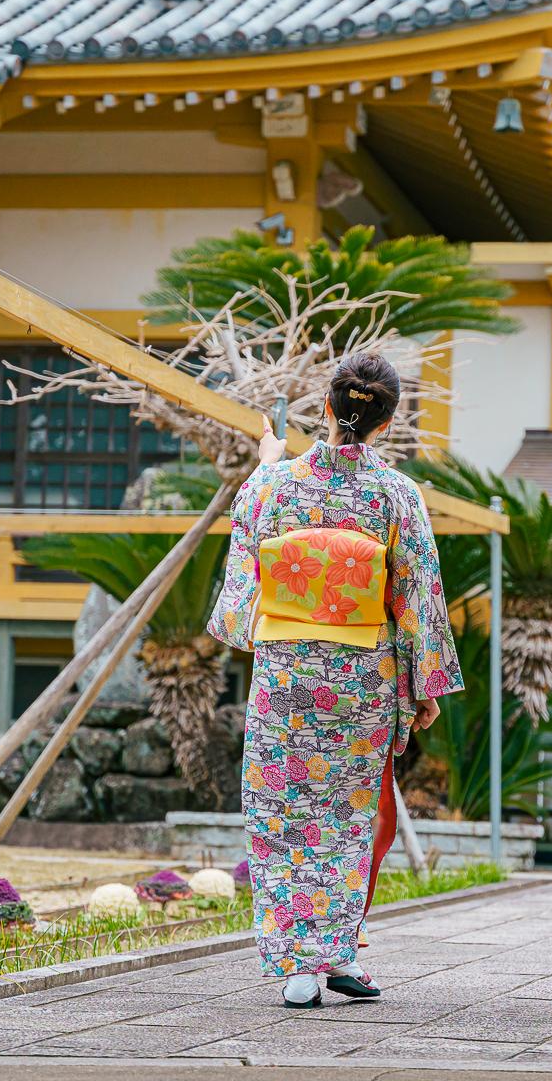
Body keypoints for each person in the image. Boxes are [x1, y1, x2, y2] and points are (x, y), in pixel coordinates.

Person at [208, 352, 462, 1008]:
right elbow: (417, 598)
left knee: (283, 818)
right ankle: (335, 954)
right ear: (387, 420)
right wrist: (423, 690)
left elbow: (242, 597)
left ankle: (300, 967)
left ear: (327, 406)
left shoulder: (271, 487)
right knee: (350, 822)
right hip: (361, 681)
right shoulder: (395, 494)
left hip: (287, 678)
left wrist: (269, 463)